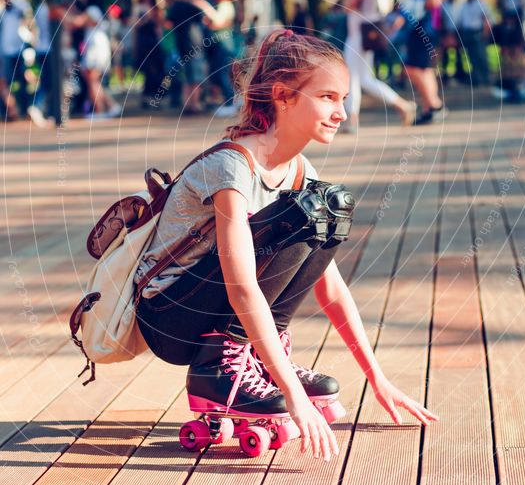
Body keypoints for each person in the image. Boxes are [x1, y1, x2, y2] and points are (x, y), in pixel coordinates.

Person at [133, 28, 438, 461]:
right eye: (328, 97)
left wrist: (378, 377)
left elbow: (328, 285)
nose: (341, 113)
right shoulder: (231, 167)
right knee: (308, 211)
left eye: (344, 100)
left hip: (209, 307)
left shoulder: (299, 171)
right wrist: (293, 395)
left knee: (329, 208)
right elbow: (241, 286)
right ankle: (223, 367)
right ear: (283, 96)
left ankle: (254, 355)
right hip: (170, 315)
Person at [342, 0, 416, 131]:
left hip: (360, 33)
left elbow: (355, 1)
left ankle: (352, 120)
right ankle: (403, 105)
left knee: (350, 76)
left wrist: (348, 1)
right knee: (365, 79)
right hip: (361, 32)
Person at [401, 0, 447, 124]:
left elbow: (434, 0)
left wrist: (412, 7)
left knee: (414, 68)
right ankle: (431, 107)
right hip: (420, 28)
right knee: (424, 69)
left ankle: (434, 105)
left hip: (424, 28)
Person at [66, 0, 120, 118]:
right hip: (96, 47)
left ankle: (100, 110)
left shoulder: (92, 9)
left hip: (95, 48)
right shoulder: (96, 10)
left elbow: (76, 22)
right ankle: (111, 106)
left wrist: (62, 12)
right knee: (93, 80)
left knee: (92, 80)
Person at [165, 0, 206, 114]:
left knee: (187, 75)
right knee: (196, 75)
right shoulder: (192, 4)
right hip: (193, 44)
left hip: (181, 44)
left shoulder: (175, 5)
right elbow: (204, 18)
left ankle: (187, 103)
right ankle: (194, 104)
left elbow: (168, 22)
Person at [132, 0, 165, 110]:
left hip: (154, 43)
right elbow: (135, 25)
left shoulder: (156, 8)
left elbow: (160, 26)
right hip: (144, 43)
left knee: (157, 72)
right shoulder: (138, 7)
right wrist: (145, 18)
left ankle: (155, 98)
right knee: (147, 72)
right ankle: (146, 97)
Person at [456, 0, 491, 87]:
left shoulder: (481, 4)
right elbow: (460, 21)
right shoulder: (464, 6)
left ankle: (485, 77)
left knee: (481, 55)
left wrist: (485, 32)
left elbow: (486, 19)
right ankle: (476, 78)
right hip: (467, 33)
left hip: (478, 32)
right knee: (472, 57)